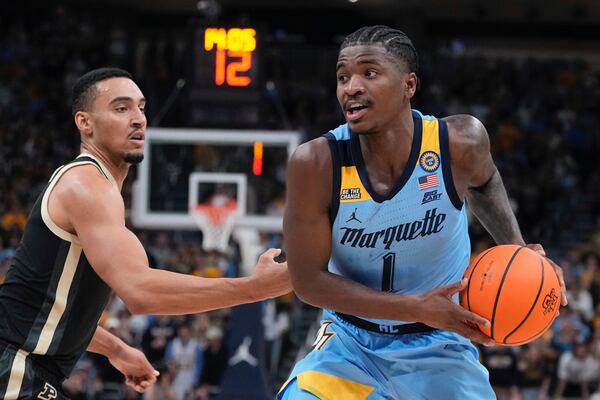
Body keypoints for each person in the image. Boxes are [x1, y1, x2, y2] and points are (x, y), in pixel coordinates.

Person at [278, 25, 567, 400]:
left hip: (440, 344)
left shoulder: (460, 142)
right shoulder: (315, 163)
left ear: (409, 85)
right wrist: (414, 307)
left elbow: (484, 182)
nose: (351, 87)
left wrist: (519, 248)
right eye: (342, 77)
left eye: (369, 73)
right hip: (348, 345)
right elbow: (308, 283)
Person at [0, 67, 291, 399]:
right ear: (85, 123)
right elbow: (140, 292)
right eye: (121, 108)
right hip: (16, 367)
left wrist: (115, 349)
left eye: (141, 107)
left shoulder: (91, 187)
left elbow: (40, 306)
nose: (138, 118)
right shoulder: (86, 186)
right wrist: (254, 289)